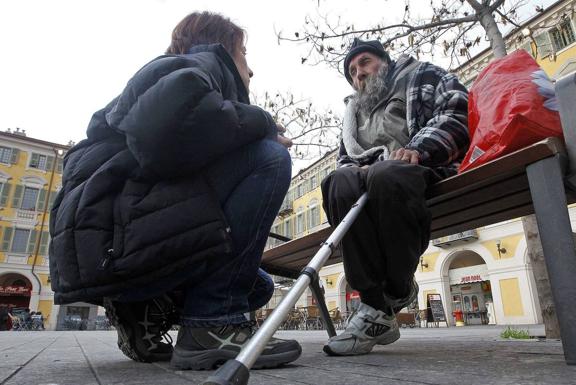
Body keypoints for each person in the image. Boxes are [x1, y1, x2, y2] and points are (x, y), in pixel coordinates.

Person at [49, 11, 301, 369]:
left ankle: (142, 309)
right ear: (223, 47)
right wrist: (262, 123)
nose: (251, 69)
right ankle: (211, 325)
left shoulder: (170, 77)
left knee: (257, 286)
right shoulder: (195, 64)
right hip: (118, 238)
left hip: (112, 246)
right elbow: (168, 130)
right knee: (268, 158)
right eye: (244, 53)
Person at [321, 38, 469, 355]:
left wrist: (418, 149)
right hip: (369, 181)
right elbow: (344, 159)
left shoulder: (421, 75)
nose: (358, 73)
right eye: (351, 71)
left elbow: (455, 113)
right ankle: (375, 307)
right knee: (337, 182)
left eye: (364, 63)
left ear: (383, 62)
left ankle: (397, 288)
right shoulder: (353, 112)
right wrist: (352, 174)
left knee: (385, 174)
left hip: (422, 167)